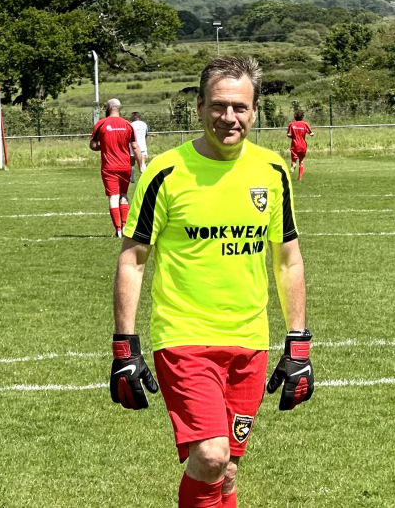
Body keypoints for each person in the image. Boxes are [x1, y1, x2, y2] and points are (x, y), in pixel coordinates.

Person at [110, 56, 314, 508]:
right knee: (211, 454)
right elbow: (133, 260)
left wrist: (297, 342)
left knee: (229, 469)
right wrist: (124, 345)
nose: (229, 118)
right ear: (200, 106)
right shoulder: (165, 173)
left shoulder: (272, 170)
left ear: (256, 110)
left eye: (240, 108)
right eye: (219, 106)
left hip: (249, 342)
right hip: (185, 338)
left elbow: (288, 260)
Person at [90, 99, 139, 237]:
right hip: (125, 166)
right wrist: (141, 164)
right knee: (123, 196)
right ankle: (124, 226)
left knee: (113, 197)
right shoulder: (127, 125)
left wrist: (104, 147)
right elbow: (134, 146)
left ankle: (117, 229)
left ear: (109, 107)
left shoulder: (101, 124)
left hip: (109, 167)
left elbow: (93, 145)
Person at [286, 109, 313, 181]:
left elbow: (288, 134)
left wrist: (293, 137)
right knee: (301, 161)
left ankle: (293, 164)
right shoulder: (305, 124)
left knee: (294, 160)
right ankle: (300, 177)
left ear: (295, 116)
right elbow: (311, 133)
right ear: (302, 117)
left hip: (294, 145)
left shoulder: (291, 124)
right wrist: (311, 134)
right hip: (303, 145)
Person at [129, 111, 149, 182]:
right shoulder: (144, 124)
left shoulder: (130, 125)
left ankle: (132, 178)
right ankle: (146, 178)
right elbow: (146, 134)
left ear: (132, 117)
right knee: (142, 162)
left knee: (132, 162)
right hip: (142, 145)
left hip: (132, 146)